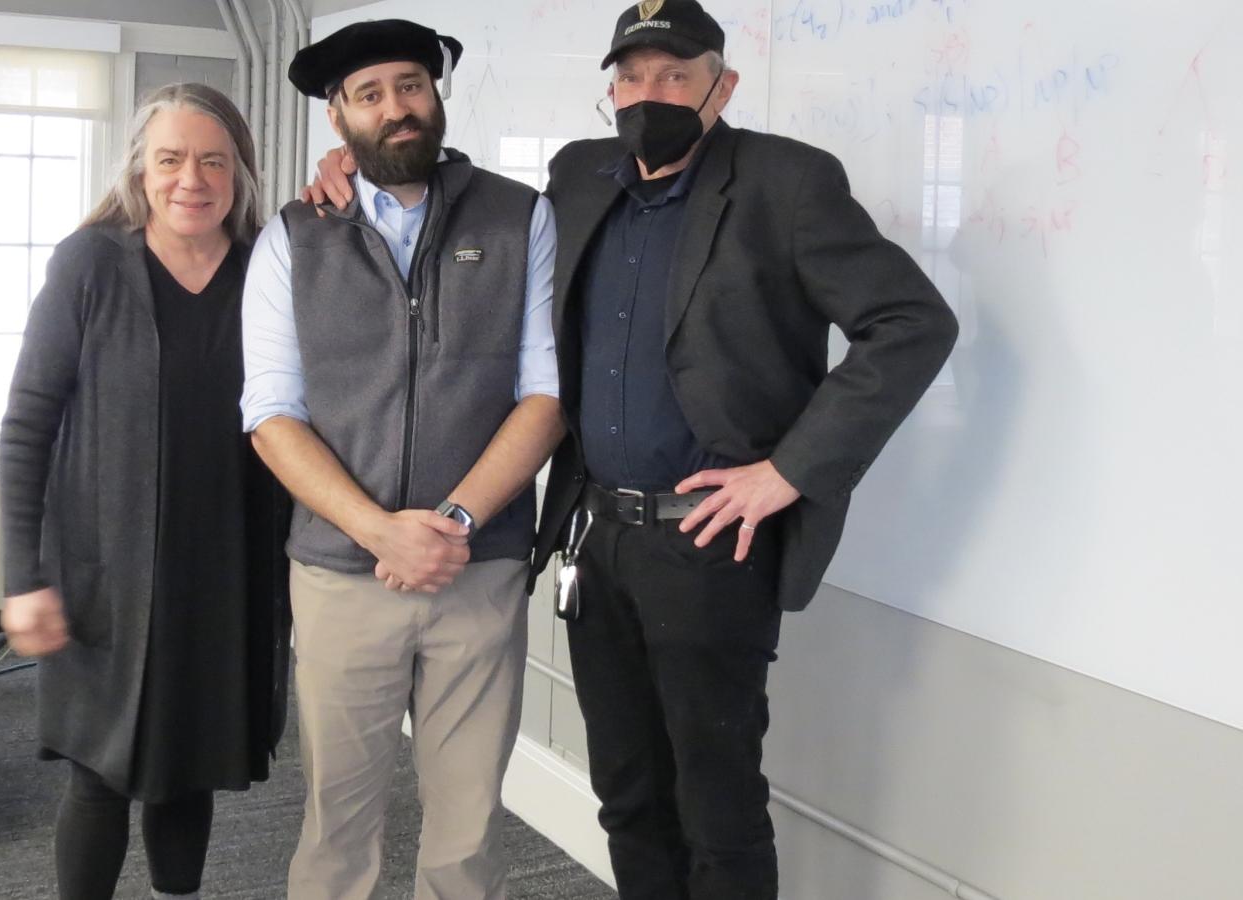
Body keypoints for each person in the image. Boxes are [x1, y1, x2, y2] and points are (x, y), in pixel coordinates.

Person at [306, 2, 959, 896]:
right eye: (634, 76)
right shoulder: (580, 176)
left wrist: (788, 472)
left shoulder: (788, 184)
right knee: (627, 793)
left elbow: (913, 322)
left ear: (721, 86)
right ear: (611, 87)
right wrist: (353, 163)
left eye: (677, 76)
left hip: (709, 544)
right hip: (596, 540)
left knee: (716, 805)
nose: (651, 93)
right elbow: (458, 197)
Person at [239, 19, 565, 900]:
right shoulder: (291, 240)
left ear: (437, 94)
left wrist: (453, 524)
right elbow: (271, 416)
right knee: (336, 830)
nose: (397, 108)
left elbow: (546, 395)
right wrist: (381, 529)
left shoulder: (518, 216)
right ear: (338, 116)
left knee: (466, 833)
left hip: (478, 570)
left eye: (411, 86)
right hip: (344, 575)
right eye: (370, 94)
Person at [0, 83, 290, 900]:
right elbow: (26, 428)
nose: (190, 179)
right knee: (99, 776)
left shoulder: (269, 267)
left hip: (225, 569)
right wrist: (23, 576)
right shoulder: (90, 262)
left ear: (240, 171)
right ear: (140, 168)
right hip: (104, 573)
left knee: (187, 770)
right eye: (170, 160)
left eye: (212, 160)